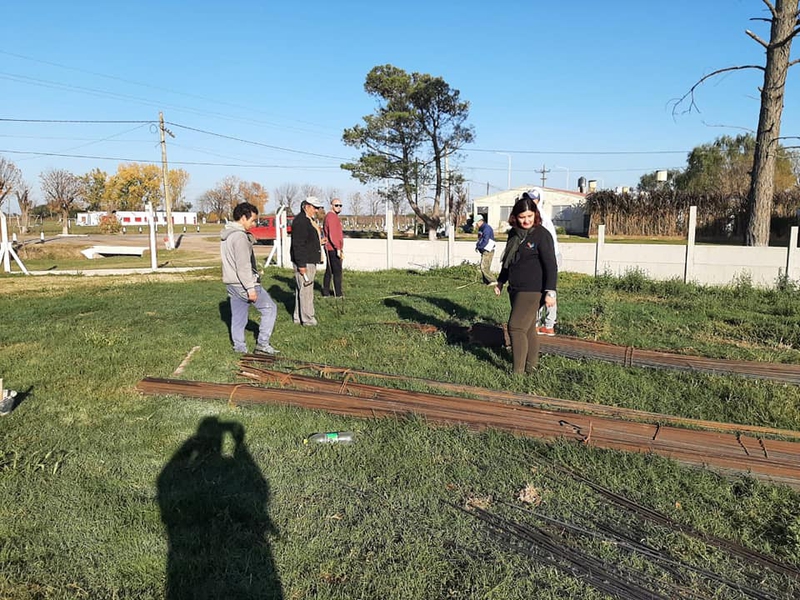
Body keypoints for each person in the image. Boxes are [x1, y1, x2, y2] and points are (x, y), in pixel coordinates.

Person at [494, 195, 558, 374]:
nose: (526, 220)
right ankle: (531, 367)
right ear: (515, 216)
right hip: (515, 288)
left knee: (515, 327)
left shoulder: (541, 235)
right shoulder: (514, 234)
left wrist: (550, 291)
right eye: (522, 217)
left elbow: (551, 265)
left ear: (535, 215)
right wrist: (501, 281)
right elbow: (508, 260)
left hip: (533, 290)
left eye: (530, 216)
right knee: (528, 329)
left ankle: (517, 372)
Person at [220, 202, 279, 354]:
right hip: (244, 284)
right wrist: (251, 288)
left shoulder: (227, 235)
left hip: (231, 284)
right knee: (270, 308)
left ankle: (239, 348)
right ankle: (262, 345)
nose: (254, 224)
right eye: (252, 220)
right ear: (243, 218)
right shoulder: (239, 237)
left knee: (239, 318)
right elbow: (243, 266)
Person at [523, 188, 562, 336]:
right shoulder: (530, 214)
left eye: (533, 198)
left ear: (539, 200)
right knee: (537, 288)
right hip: (538, 256)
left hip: (549, 256)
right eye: (528, 197)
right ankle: (536, 323)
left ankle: (549, 324)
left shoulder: (541, 217)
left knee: (549, 288)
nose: (530, 201)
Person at [290, 196, 326, 326]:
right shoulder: (301, 221)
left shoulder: (307, 220)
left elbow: (307, 240)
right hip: (305, 261)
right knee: (306, 290)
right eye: (315, 208)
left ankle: (298, 318)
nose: (316, 210)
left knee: (302, 290)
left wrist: (319, 242)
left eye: (317, 208)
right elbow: (298, 244)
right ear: (307, 206)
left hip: (308, 259)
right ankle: (308, 319)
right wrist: (301, 264)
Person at [322, 198, 345, 298]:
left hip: (332, 247)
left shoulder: (333, 216)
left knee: (329, 270)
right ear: (331, 205)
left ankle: (326, 292)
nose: (338, 207)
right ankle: (338, 293)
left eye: (340, 205)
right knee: (337, 271)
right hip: (333, 248)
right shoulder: (331, 217)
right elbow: (333, 234)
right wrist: (338, 249)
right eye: (336, 205)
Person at [474, 213, 496, 285]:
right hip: (484, 250)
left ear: (480, 221)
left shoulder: (487, 228)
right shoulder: (481, 228)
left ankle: (493, 281)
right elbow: (480, 239)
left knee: (484, 267)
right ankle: (486, 281)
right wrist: (477, 246)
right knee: (485, 266)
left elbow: (485, 240)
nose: (476, 225)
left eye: (476, 223)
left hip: (488, 250)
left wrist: (480, 247)